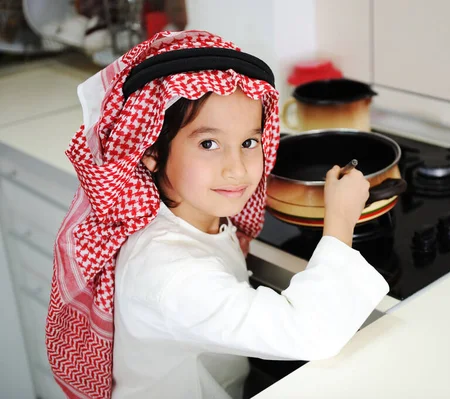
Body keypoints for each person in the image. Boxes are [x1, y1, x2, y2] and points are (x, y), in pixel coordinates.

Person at [46, 30, 389, 399]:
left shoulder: (189, 217)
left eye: (248, 142)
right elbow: (310, 333)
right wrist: (339, 220)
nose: (237, 169)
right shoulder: (169, 274)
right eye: (209, 144)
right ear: (151, 152)